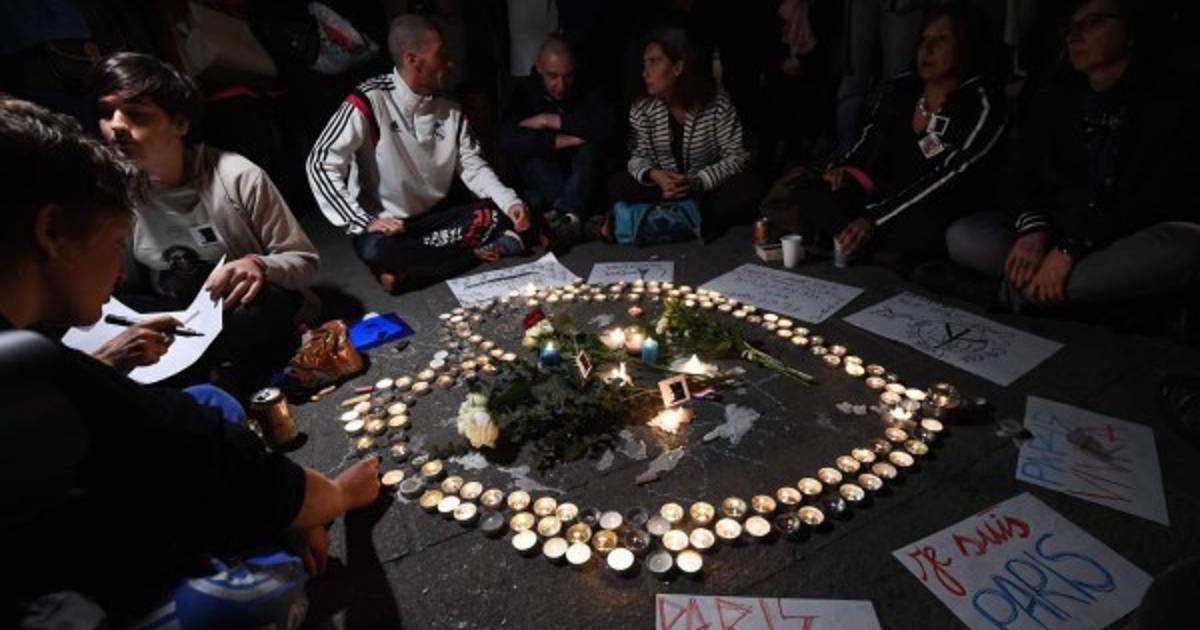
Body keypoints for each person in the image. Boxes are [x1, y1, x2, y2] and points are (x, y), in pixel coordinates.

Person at [0, 97, 380, 628]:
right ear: (51, 233)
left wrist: (107, 361)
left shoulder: (33, 350)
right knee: (259, 591)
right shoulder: (26, 371)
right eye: (114, 244)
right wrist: (333, 498)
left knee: (211, 399)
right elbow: (184, 443)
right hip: (51, 591)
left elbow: (176, 424)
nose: (117, 272)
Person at [944, 0, 1200, 313]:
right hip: (1062, 231)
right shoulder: (1058, 97)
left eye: (1093, 23)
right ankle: (1077, 299)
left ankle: (1015, 296)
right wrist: (1034, 230)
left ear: (1130, 31)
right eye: (1071, 27)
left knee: (1183, 249)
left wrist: (1073, 247)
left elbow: (1151, 199)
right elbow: (1019, 172)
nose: (1075, 35)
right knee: (966, 237)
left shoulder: (1166, 101)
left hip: (1127, 235)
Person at [89, 52, 320, 394]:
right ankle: (221, 367)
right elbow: (124, 290)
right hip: (174, 313)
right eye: (106, 113)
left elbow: (305, 263)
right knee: (97, 315)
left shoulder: (237, 176)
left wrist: (258, 265)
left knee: (264, 305)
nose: (116, 127)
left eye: (136, 115)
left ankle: (211, 370)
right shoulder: (116, 192)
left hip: (230, 307)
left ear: (180, 124)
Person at [762, 2, 1006, 269]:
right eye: (923, 39)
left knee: (930, 225)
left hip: (930, 203)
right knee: (810, 190)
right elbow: (868, 140)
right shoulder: (902, 88)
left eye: (942, 39)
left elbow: (948, 177)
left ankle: (859, 242)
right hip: (881, 198)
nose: (927, 49)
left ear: (966, 45)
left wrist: (874, 219)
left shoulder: (981, 104)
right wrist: (843, 169)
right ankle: (874, 248)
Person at [307, 14, 531, 292]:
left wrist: (510, 202)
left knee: (505, 210)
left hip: (438, 217)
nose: (450, 62)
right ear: (413, 60)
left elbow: (472, 166)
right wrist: (364, 221)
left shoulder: (450, 107)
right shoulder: (370, 98)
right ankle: (474, 255)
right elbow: (320, 162)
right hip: (392, 228)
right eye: (441, 54)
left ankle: (410, 271)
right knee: (376, 248)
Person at [607, 25, 761, 236]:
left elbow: (737, 155)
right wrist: (655, 176)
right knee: (618, 185)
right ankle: (691, 217)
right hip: (663, 189)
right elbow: (637, 155)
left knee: (750, 186)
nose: (645, 73)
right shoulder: (642, 107)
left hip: (705, 188)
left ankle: (668, 217)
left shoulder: (716, 101)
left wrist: (698, 181)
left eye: (654, 62)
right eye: (645, 63)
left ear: (678, 67)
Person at [498, 35, 615, 244]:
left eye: (567, 76)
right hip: (547, 178)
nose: (561, 85)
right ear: (539, 68)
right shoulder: (523, 92)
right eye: (553, 76)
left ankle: (565, 220)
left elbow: (606, 126)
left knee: (590, 149)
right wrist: (558, 141)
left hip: (581, 175)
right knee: (531, 157)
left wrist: (551, 121)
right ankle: (577, 220)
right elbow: (508, 137)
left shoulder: (586, 87)